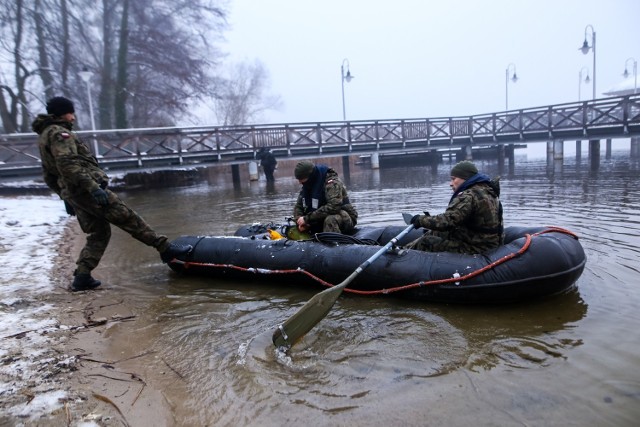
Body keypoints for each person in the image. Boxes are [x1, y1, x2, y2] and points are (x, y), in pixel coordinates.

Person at [31, 96, 192, 292]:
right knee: (127, 216)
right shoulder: (60, 134)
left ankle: (82, 275)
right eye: (71, 113)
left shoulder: (45, 135)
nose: (73, 118)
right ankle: (165, 249)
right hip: (86, 190)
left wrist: (64, 196)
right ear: (62, 113)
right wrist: (93, 188)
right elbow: (68, 165)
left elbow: (48, 174)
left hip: (75, 192)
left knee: (99, 232)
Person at [405, 160, 503, 254]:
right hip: (489, 242)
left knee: (426, 241)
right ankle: (403, 250)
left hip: (478, 248)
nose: (451, 184)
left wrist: (420, 220)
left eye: (453, 179)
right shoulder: (487, 190)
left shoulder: (469, 196)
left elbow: (447, 221)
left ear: (466, 178)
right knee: (435, 232)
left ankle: (400, 257)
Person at [293, 160, 358, 234]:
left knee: (330, 220)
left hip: (344, 216)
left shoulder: (331, 183)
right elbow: (298, 206)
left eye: (301, 179)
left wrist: (307, 219)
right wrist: (300, 221)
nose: (299, 182)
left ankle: (334, 243)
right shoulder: (307, 185)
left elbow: (334, 207)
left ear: (310, 176)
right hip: (318, 218)